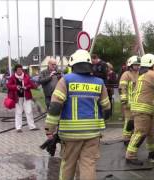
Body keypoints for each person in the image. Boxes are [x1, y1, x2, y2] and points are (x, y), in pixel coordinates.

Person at [44, 50, 111, 180]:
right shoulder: (99, 83)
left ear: (72, 64)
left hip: (70, 134)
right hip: (92, 134)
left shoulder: (66, 80)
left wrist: (49, 129)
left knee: (68, 164)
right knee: (88, 165)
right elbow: (107, 108)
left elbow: (55, 107)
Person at [125, 54, 154, 165]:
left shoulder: (144, 75)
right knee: (140, 132)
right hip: (143, 109)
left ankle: (152, 151)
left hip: (146, 109)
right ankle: (130, 155)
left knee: (151, 131)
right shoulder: (151, 74)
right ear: (151, 64)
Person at [6, 64, 39, 132]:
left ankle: (32, 126)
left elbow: (32, 85)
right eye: (18, 70)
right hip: (17, 98)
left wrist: (26, 87)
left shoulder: (26, 76)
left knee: (29, 111)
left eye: (21, 69)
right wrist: (16, 87)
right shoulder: (12, 77)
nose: (19, 71)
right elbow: (8, 85)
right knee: (18, 112)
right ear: (15, 70)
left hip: (26, 97)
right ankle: (18, 128)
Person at [119, 55, 140, 145]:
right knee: (129, 121)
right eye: (136, 65)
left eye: (138, 65)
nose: (138, 66)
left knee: (136, 122)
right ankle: (126, 139)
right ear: (130, 65)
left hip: (137, 103)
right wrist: (124, 101)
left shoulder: (139, 74)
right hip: (129, 103)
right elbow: (122, 88)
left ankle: (132, 137)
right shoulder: (126, 75)